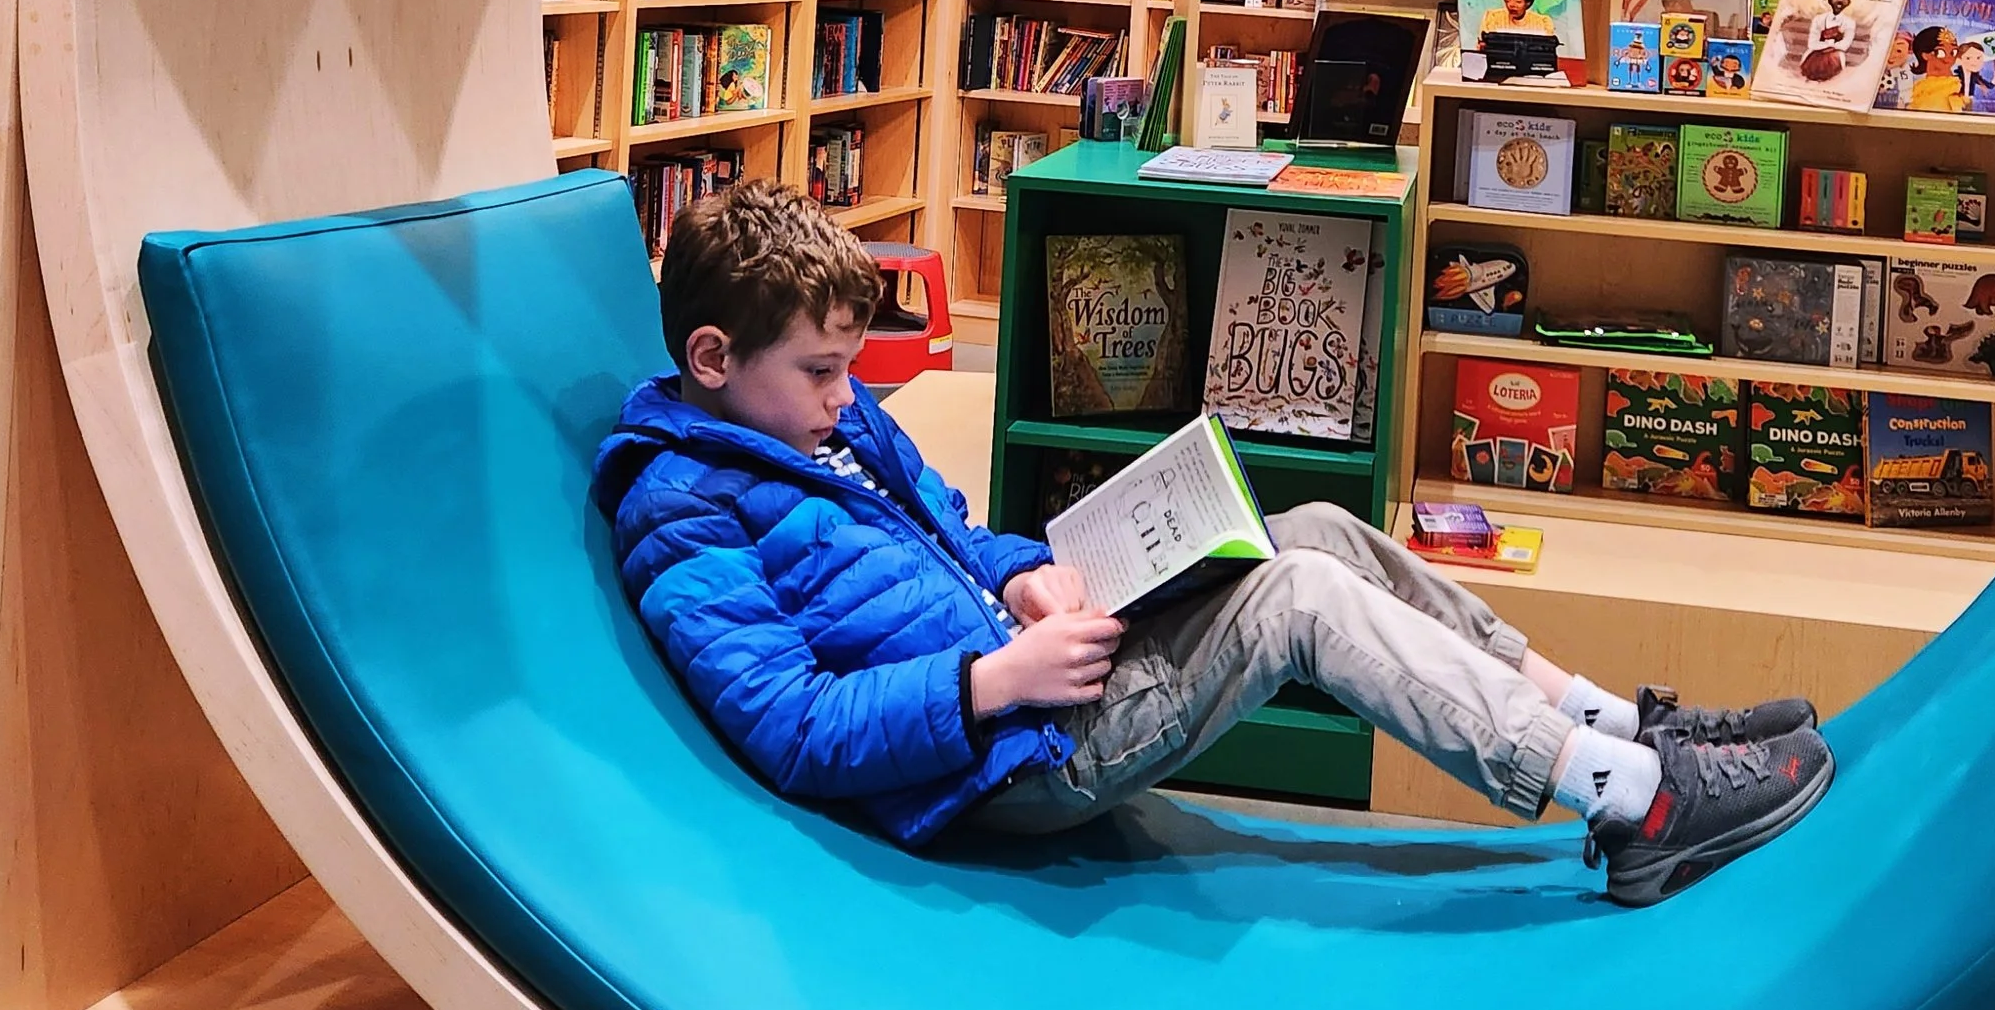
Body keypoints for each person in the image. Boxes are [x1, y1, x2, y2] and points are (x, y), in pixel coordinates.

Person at [593, 181, 1833, 909]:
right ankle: (1636, 804)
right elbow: (791, 724)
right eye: (818, 370)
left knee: (1312, 529)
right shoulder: (682, 503)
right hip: (1006, 762)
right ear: (710, 360)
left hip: (1033, 671)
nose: (843, 393)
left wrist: (1020, 570)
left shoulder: (830, 422)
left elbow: (952, 530)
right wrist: (990, 684)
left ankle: (1617, 724)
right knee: (1293, 599)